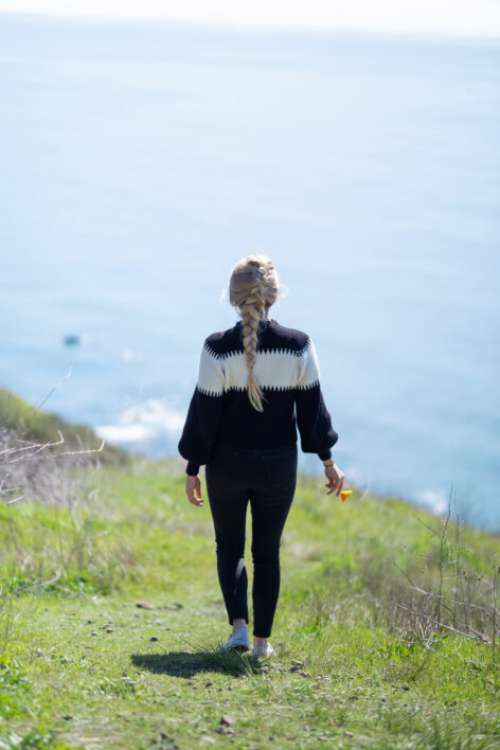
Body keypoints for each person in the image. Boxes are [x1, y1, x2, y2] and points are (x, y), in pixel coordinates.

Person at [177, 255, 345, 658]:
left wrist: (193, 468)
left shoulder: (216, 349)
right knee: (267, 553)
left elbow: (204, 416)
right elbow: (312, 412)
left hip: (227, 466)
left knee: (229, 548)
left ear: (234, 298)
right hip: (277, 466)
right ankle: (261, 645)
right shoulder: (299, 345)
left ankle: (238, 629)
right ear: (274, 294)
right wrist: (327, 460)